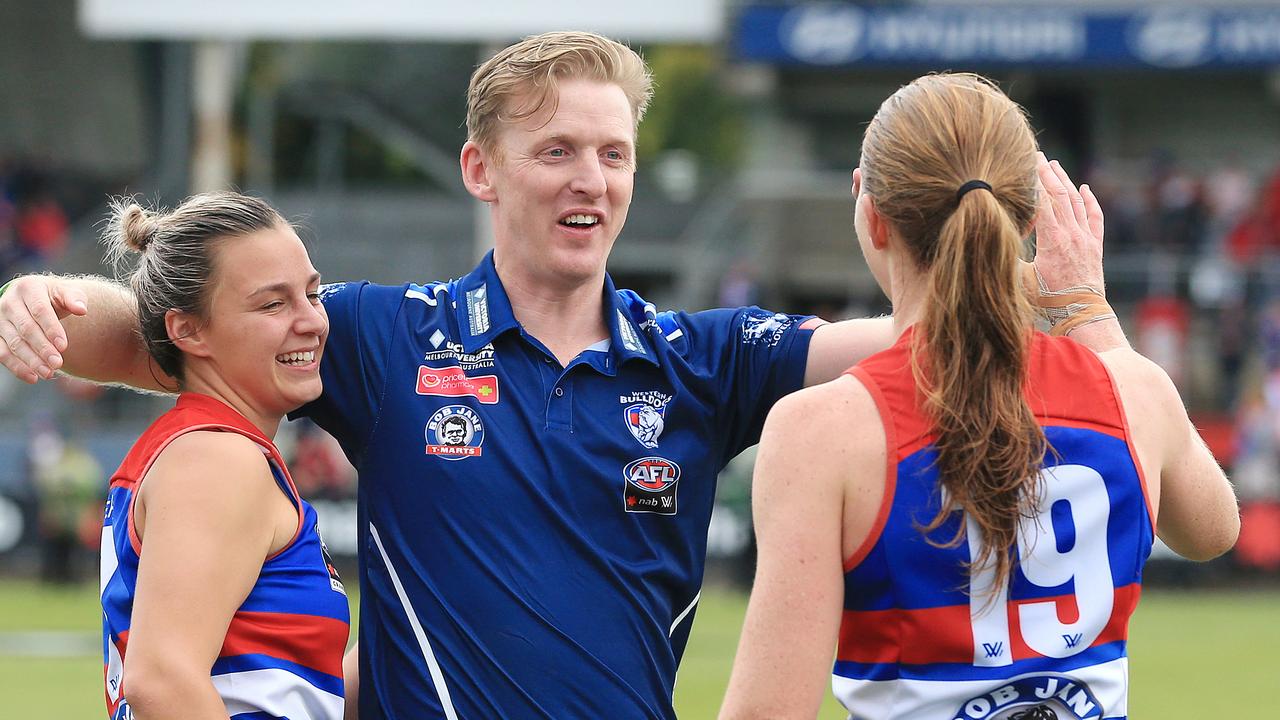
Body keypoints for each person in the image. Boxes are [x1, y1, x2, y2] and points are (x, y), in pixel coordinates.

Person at [0, 35, 1122, 719]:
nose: (591, 179)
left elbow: (919, 338)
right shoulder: (388, 339)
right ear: (481, 170)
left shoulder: (704, 359)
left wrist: (1059, 301)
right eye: (557, 152)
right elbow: (173, 326)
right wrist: (42, 300)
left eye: (614, 152)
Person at [718, 73, 1239, 720]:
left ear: (872, 215)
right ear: (1026, 217)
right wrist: (1088, 311)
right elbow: (1214, 530)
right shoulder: (1130, 388)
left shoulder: (822, 430)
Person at [94, 193, 350, 719]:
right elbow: (163, 680)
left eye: (313, 294)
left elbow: (271, 693)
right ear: (187, 329)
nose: (313, 322)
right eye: (273, 304)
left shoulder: (206, 447)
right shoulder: (217, 458)